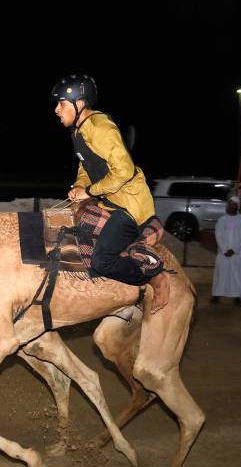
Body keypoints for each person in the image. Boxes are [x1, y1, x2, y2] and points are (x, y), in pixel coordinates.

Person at [51, 74, 169, 312]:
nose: (56, 110)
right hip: (110, 202)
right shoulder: (78, 131)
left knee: (101, 262)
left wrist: (89, 191)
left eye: (62, 103)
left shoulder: (100, 128)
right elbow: (86, 165)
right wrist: (79, 186)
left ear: (79, 103)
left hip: (129, 205)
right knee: (72, 234)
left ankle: (155, 277)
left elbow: (124, 171)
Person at [211, 196, 241, 306]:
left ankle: (237, 298)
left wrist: (234, 250)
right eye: (229, 204)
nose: (229, 206)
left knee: (237, 275)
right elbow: (218, 235)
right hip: (223, 253)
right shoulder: (222, 219)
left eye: (233, 204)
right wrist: (224, 250)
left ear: (237, 206)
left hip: (238, 253)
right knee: (221, 274)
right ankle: (216, 296)